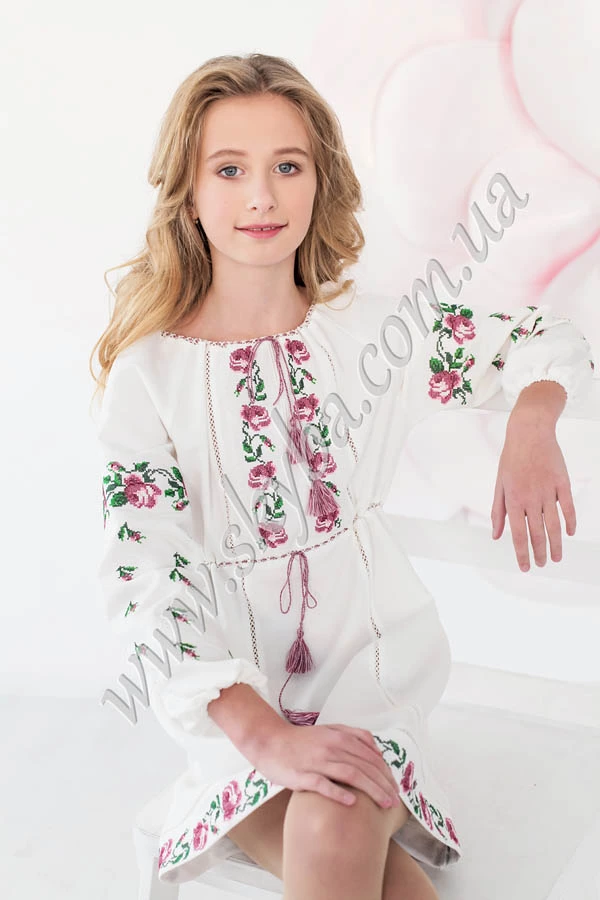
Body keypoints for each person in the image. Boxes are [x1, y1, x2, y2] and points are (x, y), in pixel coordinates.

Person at [90, 52, 595, 900]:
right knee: (343, 831)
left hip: (375, 681)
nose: (262, 196)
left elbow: (539, 335)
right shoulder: (150, 377)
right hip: (234, 715)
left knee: (334, 814)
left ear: (320, 180)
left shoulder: (374, 337)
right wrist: (266, 737)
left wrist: (533, 418)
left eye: (288, 166)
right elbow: (147, 577)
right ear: (188, 190)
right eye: (230, 169)